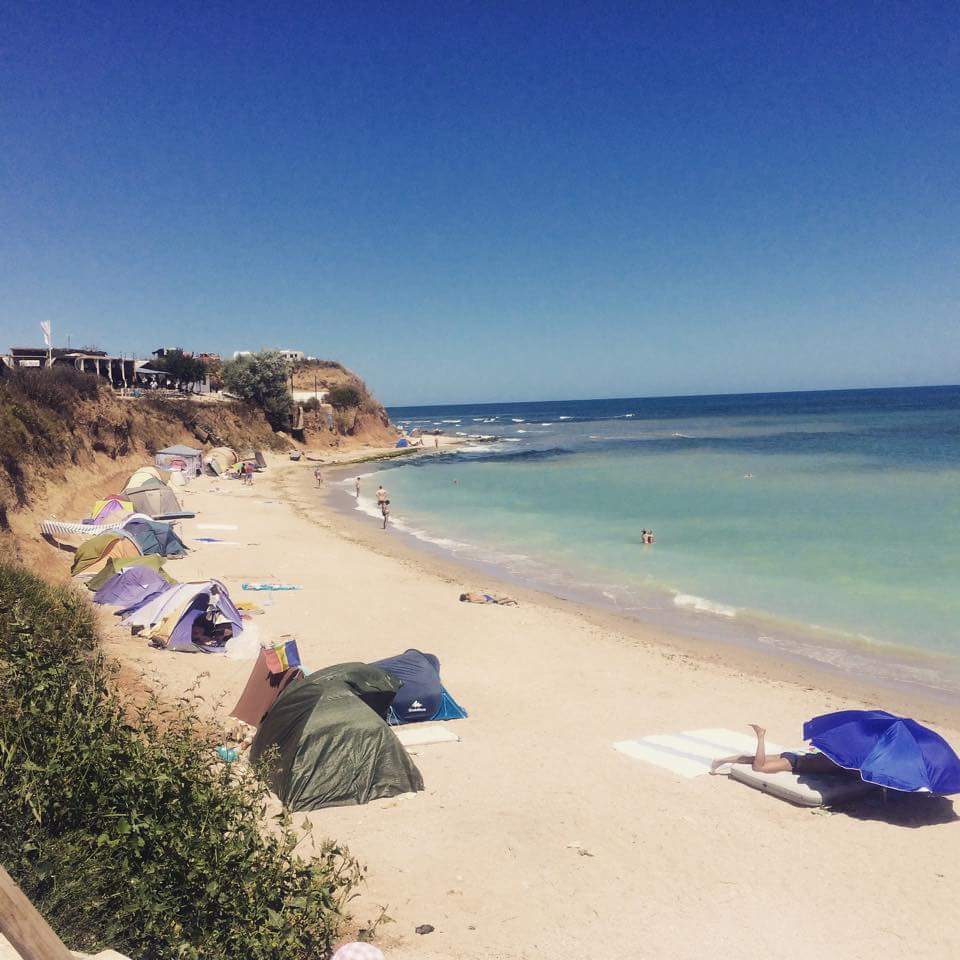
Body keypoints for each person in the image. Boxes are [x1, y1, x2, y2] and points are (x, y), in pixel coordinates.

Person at [710, 724, 849, 776]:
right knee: (759, 766)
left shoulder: (834, 755)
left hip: (794, 757)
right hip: (793, 763)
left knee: (753, 759)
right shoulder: (839, 761)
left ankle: (720, 761)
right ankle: (761, 736)